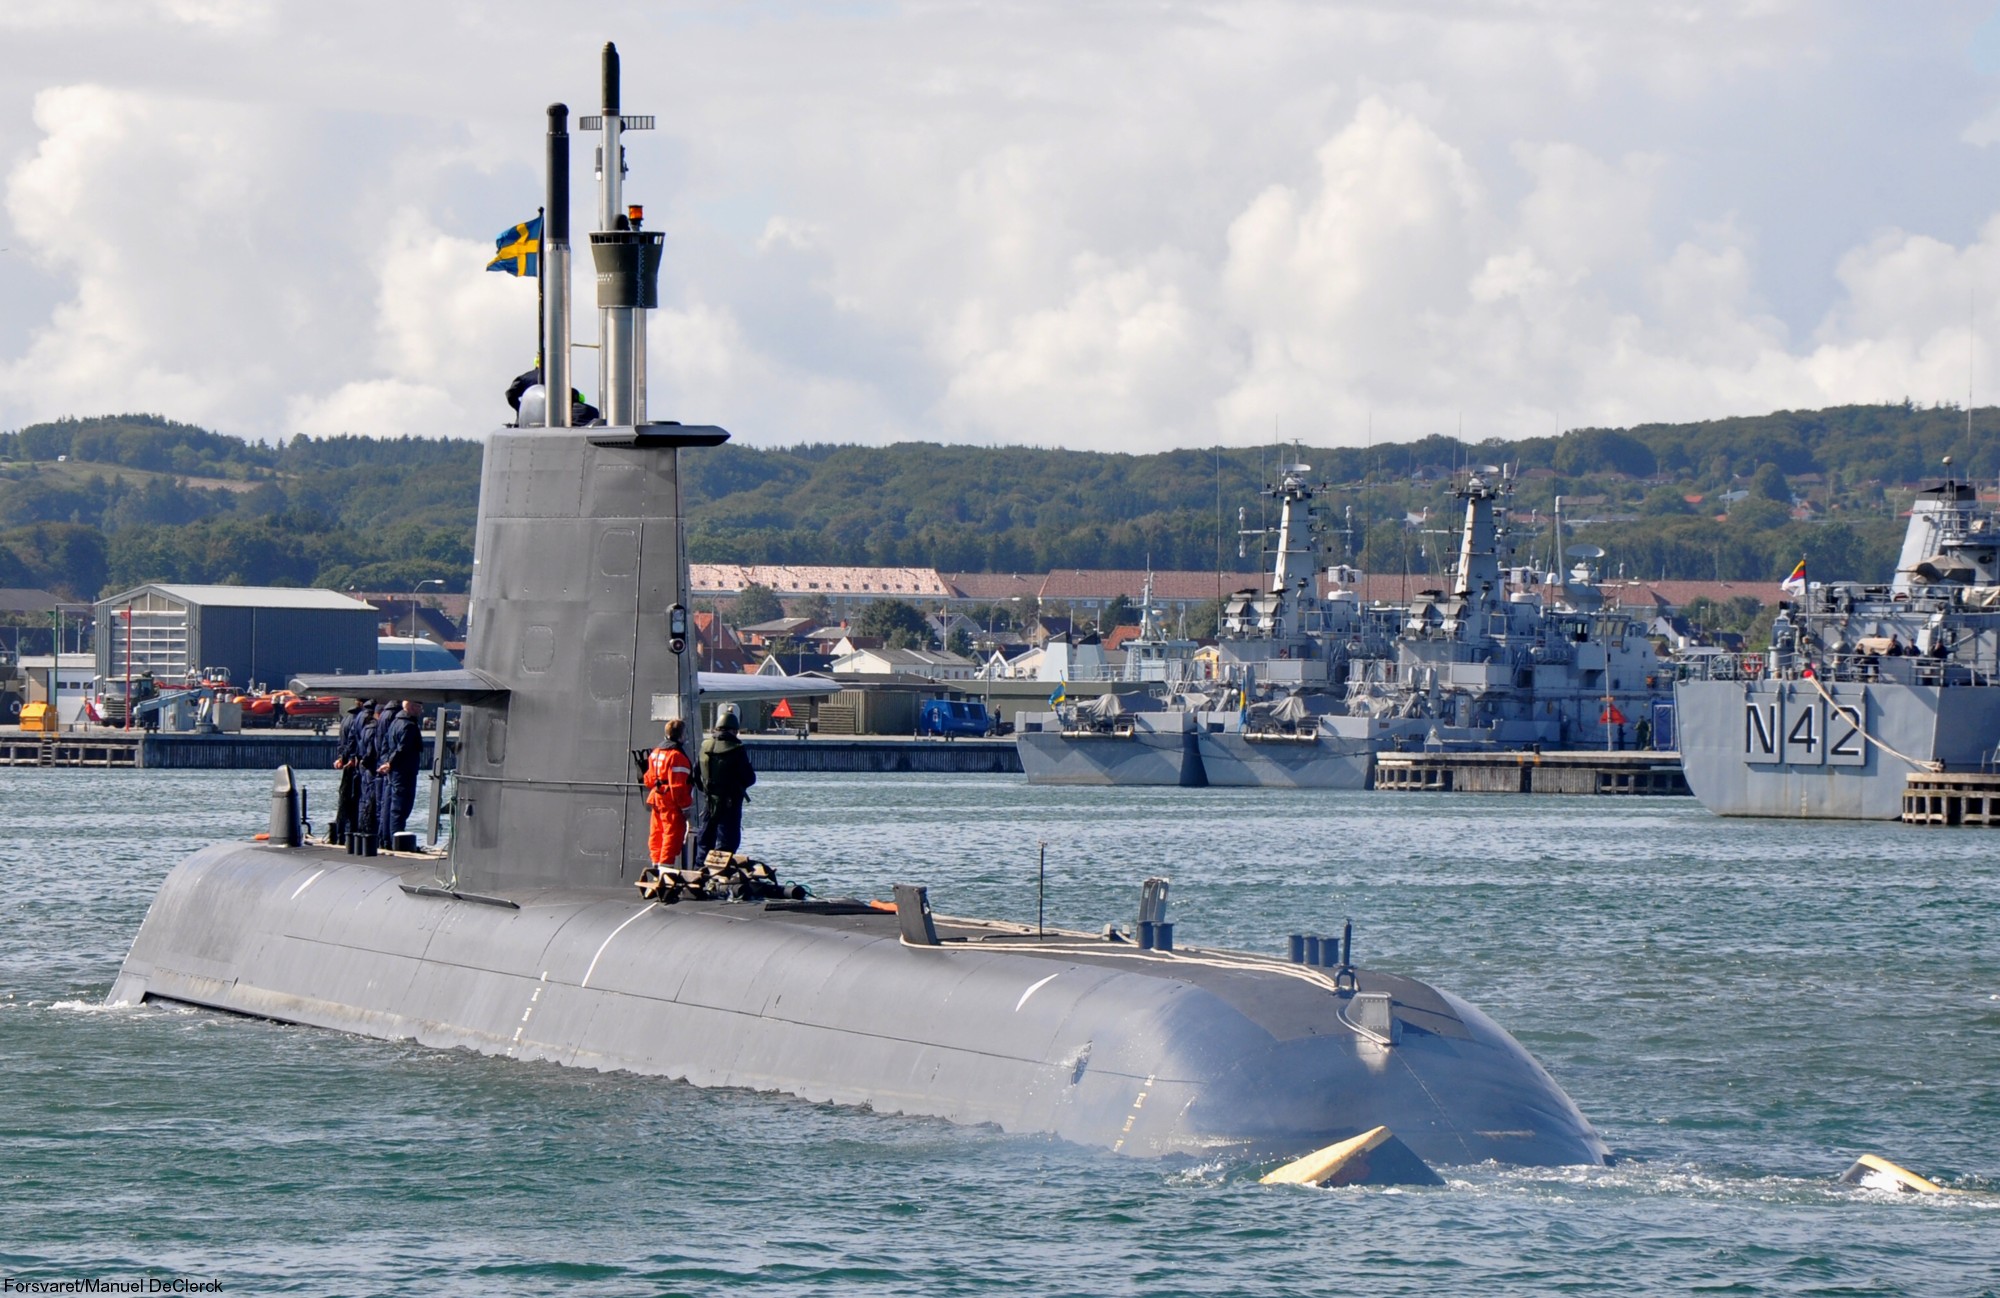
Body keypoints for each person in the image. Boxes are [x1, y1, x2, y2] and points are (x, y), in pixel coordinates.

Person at [695, 710, 756, 858]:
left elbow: (696, 775)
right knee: (728, 842)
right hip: (730, 803)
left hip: (709, 801)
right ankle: (721, 874)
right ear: (734, 730)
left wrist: (707, 791)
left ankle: (700, 871)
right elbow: (749, 778)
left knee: (705, 840)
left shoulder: (705, 747)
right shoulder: (737, 749)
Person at [643, 718, 695, 869]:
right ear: (680, 736)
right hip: (670, 800)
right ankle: (666, 869)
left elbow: (648, 780)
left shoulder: (656, 753)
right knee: (671, 834)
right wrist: (686, 808)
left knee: (657, 832)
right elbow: (678, 786)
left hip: (657, 797)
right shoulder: (676, 756)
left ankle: (656, 865)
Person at [376, 700, 425, 842]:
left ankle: (386, 839)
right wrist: (391, 763)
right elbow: (402, 749)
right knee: (400, 807)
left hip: (395, 771)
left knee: (389, 805)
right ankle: (396, 840)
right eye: (419, 707)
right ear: (411, 707)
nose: (421, 711)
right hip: (404, 771)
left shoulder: (395, 723)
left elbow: (385, 744)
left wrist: (387, 762)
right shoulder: (409, 725)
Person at [332, 700, 375, 843]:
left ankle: (341, 835)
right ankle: (352, 833)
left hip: (347, 763)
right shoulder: (360, 719)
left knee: (345, 800)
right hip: (355, 764)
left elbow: (343, 741)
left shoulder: (346, 719)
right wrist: (351, 757)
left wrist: (341, 757)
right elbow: (354, 742)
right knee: (355, 800)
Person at [505, 365, 601, 425]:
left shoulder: (525, 378)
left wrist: (522, 409)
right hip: (556, 418)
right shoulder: (559, 377)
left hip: (528, 422)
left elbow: (510, 394)